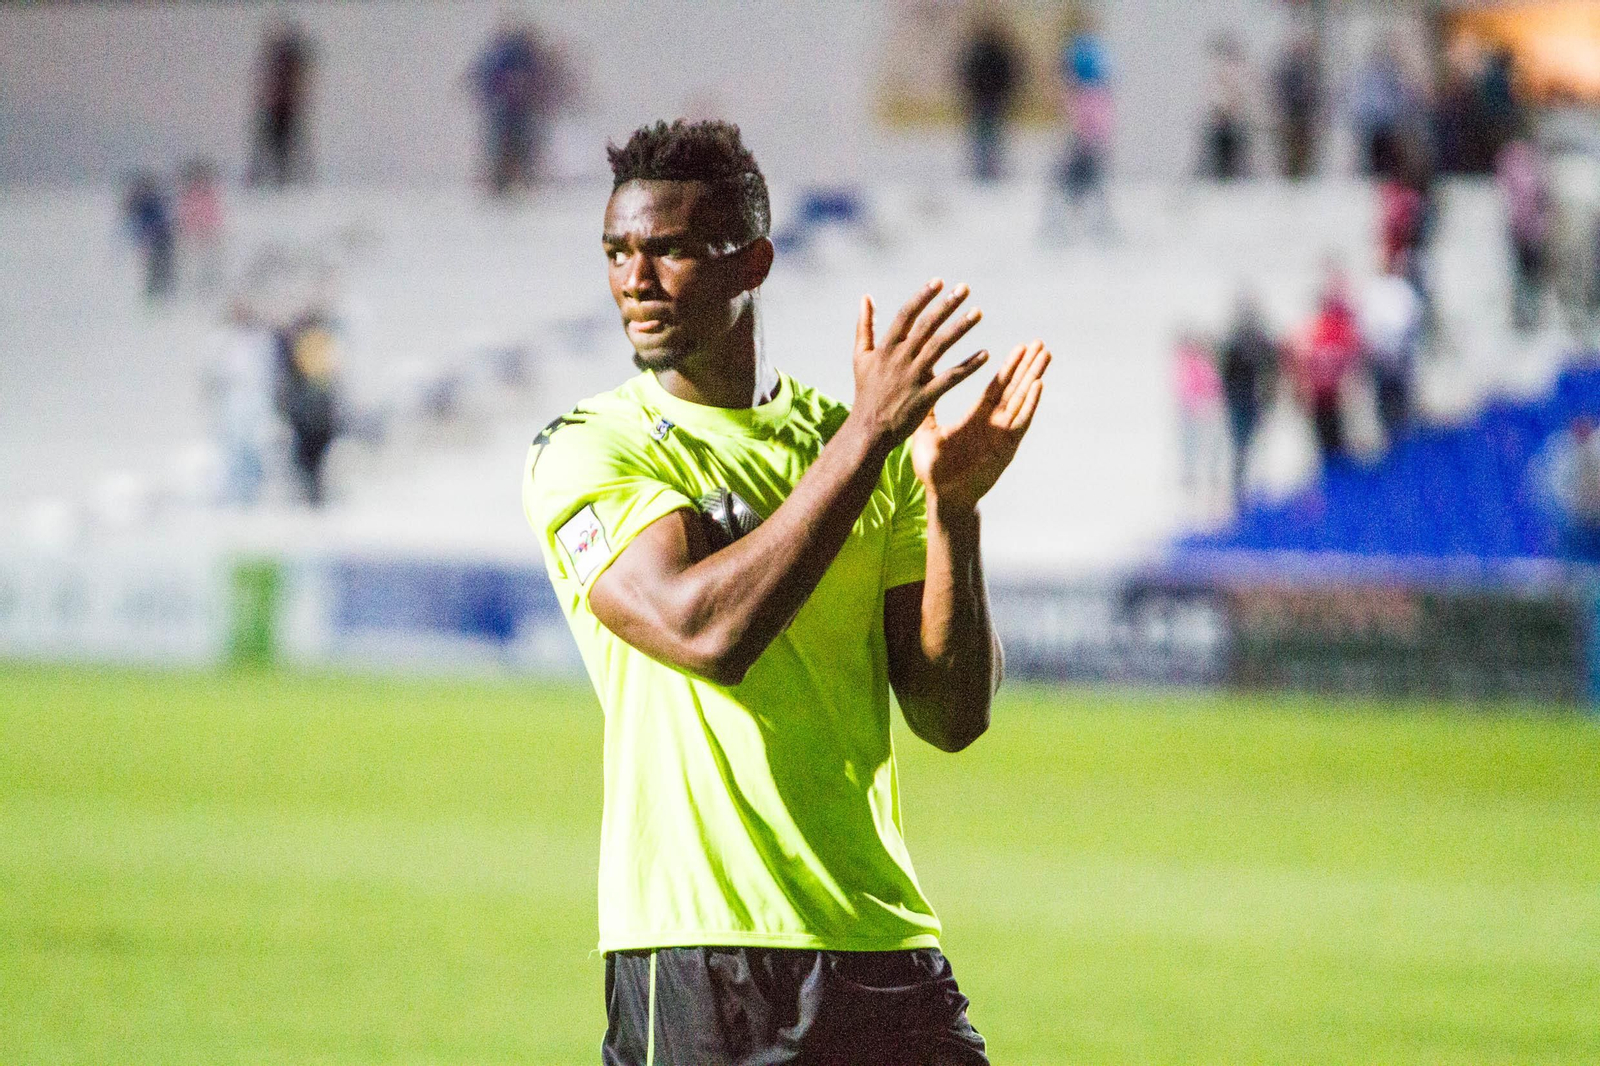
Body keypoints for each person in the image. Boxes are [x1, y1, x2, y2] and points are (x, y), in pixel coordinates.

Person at [521, 120, 1050, 1064]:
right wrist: (868, 441)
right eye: (617, 253)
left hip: (881, 937)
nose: (637, 280)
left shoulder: (858, 445)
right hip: (701, 951)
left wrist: (955, 511)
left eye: (670, 250)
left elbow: (952, 713)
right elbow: (706, 632)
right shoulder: (591, 449)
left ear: (752, 262)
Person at [470, 17, 558, 196]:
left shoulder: (507, 58)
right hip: (507, 112)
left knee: (519, 146)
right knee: (511, 146)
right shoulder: (507, 58)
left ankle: (515, 180)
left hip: (517, 113)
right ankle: (507, 181)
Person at [1219, 295, 1279, 502]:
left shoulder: (1255, 340)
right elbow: (1225, 373)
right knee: (1243, 446)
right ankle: (1243, 488)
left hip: (1253, 400)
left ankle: (1253, 487)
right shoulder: (1235, 342)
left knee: (1252, 446)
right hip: (1241, 400)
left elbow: (1272, 365)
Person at [1357, 261, 1424, 444]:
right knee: (1384, 404)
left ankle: (1406, 439)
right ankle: (1390, 440)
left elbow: (1411, 321)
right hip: (1379, 358)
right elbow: (1365, 323)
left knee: (1403, 402)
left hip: (1400, 356)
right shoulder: (1372, 290)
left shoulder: (1402, 290)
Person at [247, 21, 314, 188]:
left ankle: (282, 177)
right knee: (270, 144)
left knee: (283, 146)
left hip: (285, 109)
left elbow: (295, 86)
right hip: (277, 109)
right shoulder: (282, 64)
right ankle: (263, 177)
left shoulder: (290, 64)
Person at [1497, 132, 1551, 333]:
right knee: (1521, 274)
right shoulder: (1515, 159)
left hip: (1530, 230)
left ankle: (1531, 314)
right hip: (1521, 230)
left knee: (1530, 274)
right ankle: (1523, 315)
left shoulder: (1531, 160)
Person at [958, 18, 1022, 182]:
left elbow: (967, 75)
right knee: (991, 134)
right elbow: (1011, 73)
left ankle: (984, 167)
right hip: (993, 98)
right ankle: (990, 167)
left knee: (985, 134)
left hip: (983, 98)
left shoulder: (978, 52)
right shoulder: (998, 52)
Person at [1274, 30, 1321, 179]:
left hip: (1306, 117)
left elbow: (1315, 93)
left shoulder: (1310, 69)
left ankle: (1304, 176)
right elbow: (1281, 91)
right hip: (1290, 115)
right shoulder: (1287, 68)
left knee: (1305, 151)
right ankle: (1291, 177)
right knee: (1289, 150)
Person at [122, 169, 175, 301]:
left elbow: (164, 220)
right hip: (152, 240)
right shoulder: (140, 204)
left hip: (161, 239)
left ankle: (162, 293)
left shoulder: (154, 201)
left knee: (161, 267)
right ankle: (155, 294)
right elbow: (135, 225)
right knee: (154, 268)